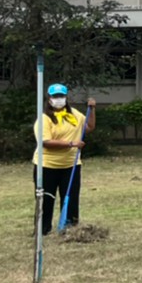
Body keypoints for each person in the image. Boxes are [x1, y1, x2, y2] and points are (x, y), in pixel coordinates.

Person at [33, 83, 96, 233]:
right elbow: (45, 142)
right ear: (49, 98)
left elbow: (89, 127)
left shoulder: (74, 114)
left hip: (71, 165)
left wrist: (92, 109)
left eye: (61, 96)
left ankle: (70, 227)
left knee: (71, 198)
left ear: (66, 97)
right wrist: (71, 143)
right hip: (47, 165)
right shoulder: (44, 119)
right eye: (55, 96)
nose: (58, 99)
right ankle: (43, 229)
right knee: (46, 199)